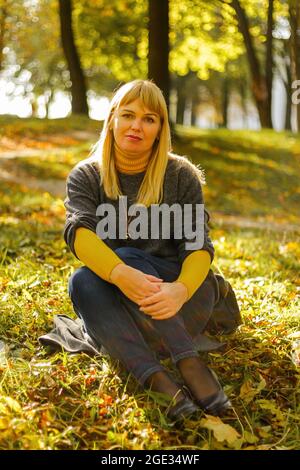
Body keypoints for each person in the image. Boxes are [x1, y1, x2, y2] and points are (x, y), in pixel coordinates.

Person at [64, 79, 231, 421]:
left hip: (184, 301)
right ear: (112, 120)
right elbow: (78, 233)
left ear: (160, 129)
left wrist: (180, 290)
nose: (136, 126)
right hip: (124, 307)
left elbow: (198, 243)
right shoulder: (86, 175)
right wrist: (122, 276)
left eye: (149, 119)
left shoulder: (181, 175)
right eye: (128, 115)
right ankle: (154, 377)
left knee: (125, 256)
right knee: (82, 281)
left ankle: (188, 360)